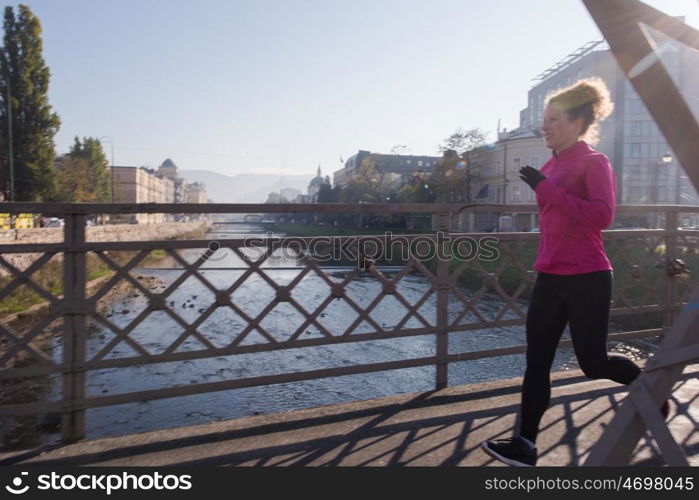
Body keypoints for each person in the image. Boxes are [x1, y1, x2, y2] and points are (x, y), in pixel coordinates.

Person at [481, 77, 668, 467]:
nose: (545, 126)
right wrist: (545, 186)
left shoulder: (594, 162)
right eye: (544, 120)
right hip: (550, 274)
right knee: (537, 362)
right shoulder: (551, 164)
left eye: (553, 119)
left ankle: (651, 393)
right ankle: (525, 445)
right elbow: (557, 217)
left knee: (593, 362)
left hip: (587, 276)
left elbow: (601, 216)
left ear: (579, 121)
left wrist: (546, 189)